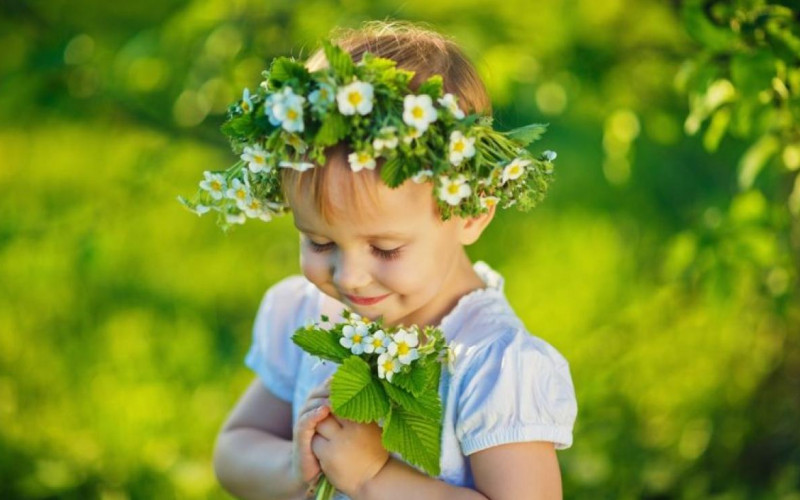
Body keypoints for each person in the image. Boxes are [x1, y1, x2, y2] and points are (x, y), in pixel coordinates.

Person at [209, 20, 578, 500]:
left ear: (470, 212)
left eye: (385, 249)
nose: (348, 276)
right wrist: (293, 467)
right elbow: (233, 448)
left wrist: (372, 479)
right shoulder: (309, 316)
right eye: (320, 243)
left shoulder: (491, 365)